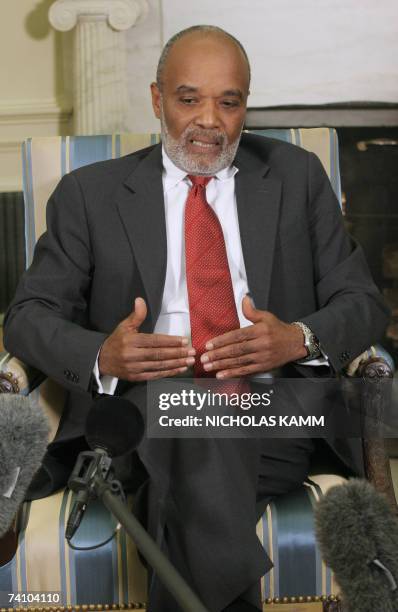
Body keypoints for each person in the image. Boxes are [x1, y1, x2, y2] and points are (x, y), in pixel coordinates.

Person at [4, 25, 389, 612]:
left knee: (196, 439)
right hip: (139, 411)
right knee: (193, 426)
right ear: (158, 100)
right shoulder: (90, 194)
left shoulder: (296, 176)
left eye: (228, 102)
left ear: (244, 106)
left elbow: (362, 302)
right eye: (189, 99)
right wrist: (102, 355)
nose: (209, 119)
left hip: (275, 409)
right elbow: (28, 316)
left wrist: (296, 339)